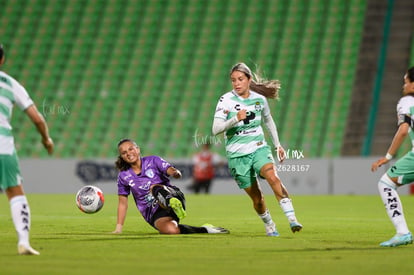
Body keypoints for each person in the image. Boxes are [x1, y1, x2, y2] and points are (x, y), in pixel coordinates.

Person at [212, 62, 302, 236]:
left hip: (259, 147)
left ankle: (292, 220)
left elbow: (268, 120)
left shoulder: (259, 99)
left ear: (249, 80)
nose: (237, 83)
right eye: (233, 80)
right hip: (237, 155)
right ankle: (269, 225)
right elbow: (215, 130)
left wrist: (277, 145)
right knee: (257, 198)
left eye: (240, 79)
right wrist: (235, 119)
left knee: (273, 177)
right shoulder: (226, 100)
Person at [0, 44, 54, 255]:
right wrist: (46, 139)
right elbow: (37, 119)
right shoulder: (9, 83)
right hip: (2, 145)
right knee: (15, 192)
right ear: (2, 60)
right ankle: (23, 241)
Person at [112, 138, 229, 235]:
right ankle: (206, 229)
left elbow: (170, 170)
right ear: (122, 157)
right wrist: (118, 228)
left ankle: (171, 202)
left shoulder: (153, 160)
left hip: (172, 195)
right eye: (124, 152)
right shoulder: (124, 176)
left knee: (154, 188)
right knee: (171, 230)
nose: (128, 153)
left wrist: (174, 173)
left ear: (137, 149)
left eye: (131, 149)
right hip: (153, 212)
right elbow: (123, 203)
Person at [371, 66, 414, 247]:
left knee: (386, 183)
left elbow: (403, 129)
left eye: (406, 82)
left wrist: (388, 156)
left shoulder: (407, 101)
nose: (403, 86)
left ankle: (402, 232)